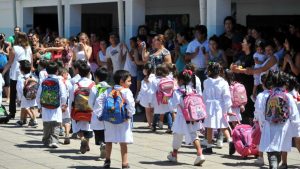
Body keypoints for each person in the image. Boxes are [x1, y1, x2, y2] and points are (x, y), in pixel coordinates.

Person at [255, 71, 298, 169]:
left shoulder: (268, 95)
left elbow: (262, 111)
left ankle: (273, 158)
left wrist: (262, 123)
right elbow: (293, 113)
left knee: (271, 144)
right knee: (282, 144)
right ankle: (278, 160)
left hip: (270, 124)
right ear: (284, 83)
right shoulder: (287, 96)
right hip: (284, 125)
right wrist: (295, 125)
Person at [97, 70, 135, 169]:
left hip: (109, 119)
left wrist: (100, 114)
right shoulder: (126, 91)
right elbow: (131, 104)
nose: (130, 83)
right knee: (123, 142)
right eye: (129, 81)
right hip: (123, 119)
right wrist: (129, 115)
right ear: (122, 81)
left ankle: (107, 161)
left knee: (109, 141)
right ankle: (125, 163)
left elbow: (99, 100)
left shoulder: (109, 90)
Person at [167, 69, 206, 166]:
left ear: (180, 81)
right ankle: (200, 154)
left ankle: (174, 154)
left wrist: (168, 99)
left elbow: (172, 106)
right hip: (192, 117)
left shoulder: (178, 92)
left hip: (181, 117)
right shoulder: (193, 90)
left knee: (177, 135)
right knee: (194, 135)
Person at [202, 62, 234, 154]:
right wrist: (228, 109)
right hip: (220, 106)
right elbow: (227, 96)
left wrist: (203, 105)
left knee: (209, 126)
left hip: (209, 106)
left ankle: (209, 146)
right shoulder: (223, 82)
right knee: (223, 125)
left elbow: (204, 95)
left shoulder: (206, 82)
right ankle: (230, 141)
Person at [2, 32, 33, 119]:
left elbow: (10, 62)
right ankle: (26, 115)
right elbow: (31, 61)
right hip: (27, 73)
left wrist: (3, 73)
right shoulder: (29, 48)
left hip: (16, 73)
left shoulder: (14, 48)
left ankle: (12, 112)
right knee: (26, 94)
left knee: (13, 94)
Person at [36, 62, 67, 148]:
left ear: (47, 71)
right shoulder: (59, 81)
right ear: (57, 71)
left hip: (45, 106)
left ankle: (46, 140)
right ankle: (54, 141)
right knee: (56, 124)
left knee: (46, 124)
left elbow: (38, 95)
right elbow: (63, 94)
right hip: (57, 106)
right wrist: (63, 104)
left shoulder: (43, 81)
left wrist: (39, 106)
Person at [70, 62, 95, 154]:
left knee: (79, 127)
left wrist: (70, 111)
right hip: (89, 111)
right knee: (88, 127)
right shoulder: (92, 84)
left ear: (78, 72)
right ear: (89, 73)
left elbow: (71, 100)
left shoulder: (76, 85)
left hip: (78, 111)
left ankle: (82, 139)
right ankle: (87, 143)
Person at [88, 67, 110, 159]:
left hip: (97, 115)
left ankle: (102, 144)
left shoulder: (95, 88)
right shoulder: (109, 88)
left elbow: (90, 102)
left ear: (96, 77)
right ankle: (106, 146)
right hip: (108, 115)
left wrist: (94, 109)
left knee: (98, 133)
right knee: (106, 133)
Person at [149, 64, 174, 133]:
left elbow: (152, 91)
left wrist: (150, 101)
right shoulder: (169, 78)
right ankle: (170, 127)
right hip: (168, 98)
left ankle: (153, 126)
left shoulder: (154, 80)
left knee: (157, 113)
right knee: (168, 112)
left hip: (159, 99)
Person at [185, 25, 209, 89]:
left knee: (205, 89)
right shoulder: (192, 44)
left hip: (206, 71)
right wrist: (195, 53)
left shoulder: (209, 43)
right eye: (195, 33)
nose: (195, 35)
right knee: (195, 89)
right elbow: (186, 57)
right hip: (195, 71)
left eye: (197, 33)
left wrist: (205, 53)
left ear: (203, 34)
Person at [16, 60, 38, 127]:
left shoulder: (20, 78)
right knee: (32, 108)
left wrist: (19, 98)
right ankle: (22, 120)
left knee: (26, 107)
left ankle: (33, 120)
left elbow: (19, 89)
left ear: (21, 69)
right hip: (33, 95)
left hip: (24, 95)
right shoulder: (32, 76)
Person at [136, 62, 155, 128]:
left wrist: (138, 99)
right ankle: (153, 124)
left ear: (146, 70)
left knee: (148, 112)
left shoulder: (144, 80)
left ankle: (150, 124)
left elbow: (142, 91)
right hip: (154, 98)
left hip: (146, 99)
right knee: (153, 111)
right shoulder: (155, 78)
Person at [58, 68, 72, 145]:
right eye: (67, 74)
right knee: (67, 120)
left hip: (58, 104)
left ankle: (60, 130)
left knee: (59, 119)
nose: (68, 75)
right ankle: (67, 134)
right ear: (63, 74)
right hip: (67, 104)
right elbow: (71, 95)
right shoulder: (68, 83)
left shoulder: (57, 81)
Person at [0, 33, 11, 102]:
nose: (1, 39)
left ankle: (8, 97)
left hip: (5, 66)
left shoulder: (6, 45)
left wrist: (3, 52)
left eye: (2, 37)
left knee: (7, 83)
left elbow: (9, 54)